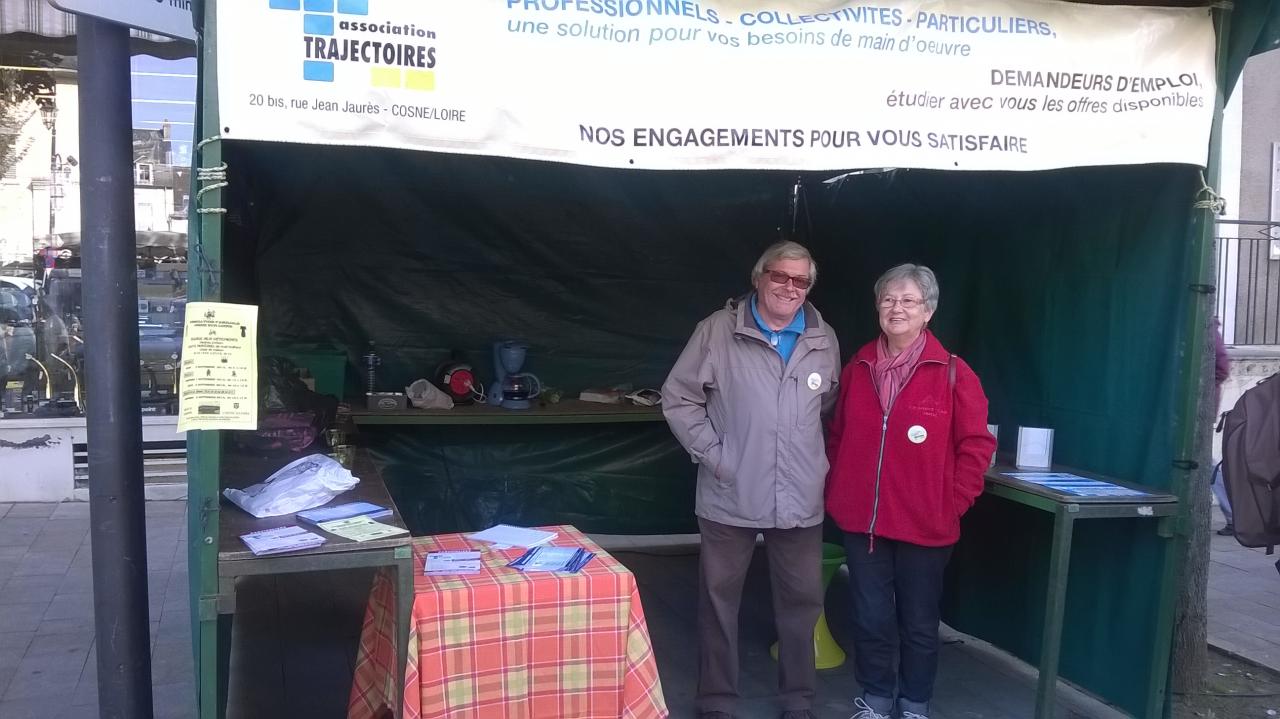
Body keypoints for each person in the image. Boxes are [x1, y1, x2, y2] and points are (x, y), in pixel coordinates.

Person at [662, 240, 841, 719]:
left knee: (802, 604)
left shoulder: (824, 338)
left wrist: (811, 462)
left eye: (800, 280)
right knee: (719, 602)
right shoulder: (716, 331)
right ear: (759, 277)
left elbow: (824, 408)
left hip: (800, 496)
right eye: (780, 276)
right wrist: (717, 456)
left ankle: (798, 700)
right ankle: (716, 700)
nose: (789, 287)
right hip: (729, 490)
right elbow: (679, 398)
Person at [824, 264, 996, 719]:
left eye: (909, 301)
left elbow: (977, 446)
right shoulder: (859, 367)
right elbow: (838, 435)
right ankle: (877, 697)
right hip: (864, 521)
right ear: (877, 307)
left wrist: (951, 502)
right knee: (869, 616)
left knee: (919, 623)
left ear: (929, 311)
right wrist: (838, 490)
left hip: (926, 524)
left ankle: (914, 703)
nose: (896, 308)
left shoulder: (954, 373)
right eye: (888, 300)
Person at [1211, 317, 1234, 535]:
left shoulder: (1208, 328)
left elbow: (1222, 368)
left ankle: (1235, 515)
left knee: (1204, 463)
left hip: (1199, 407)